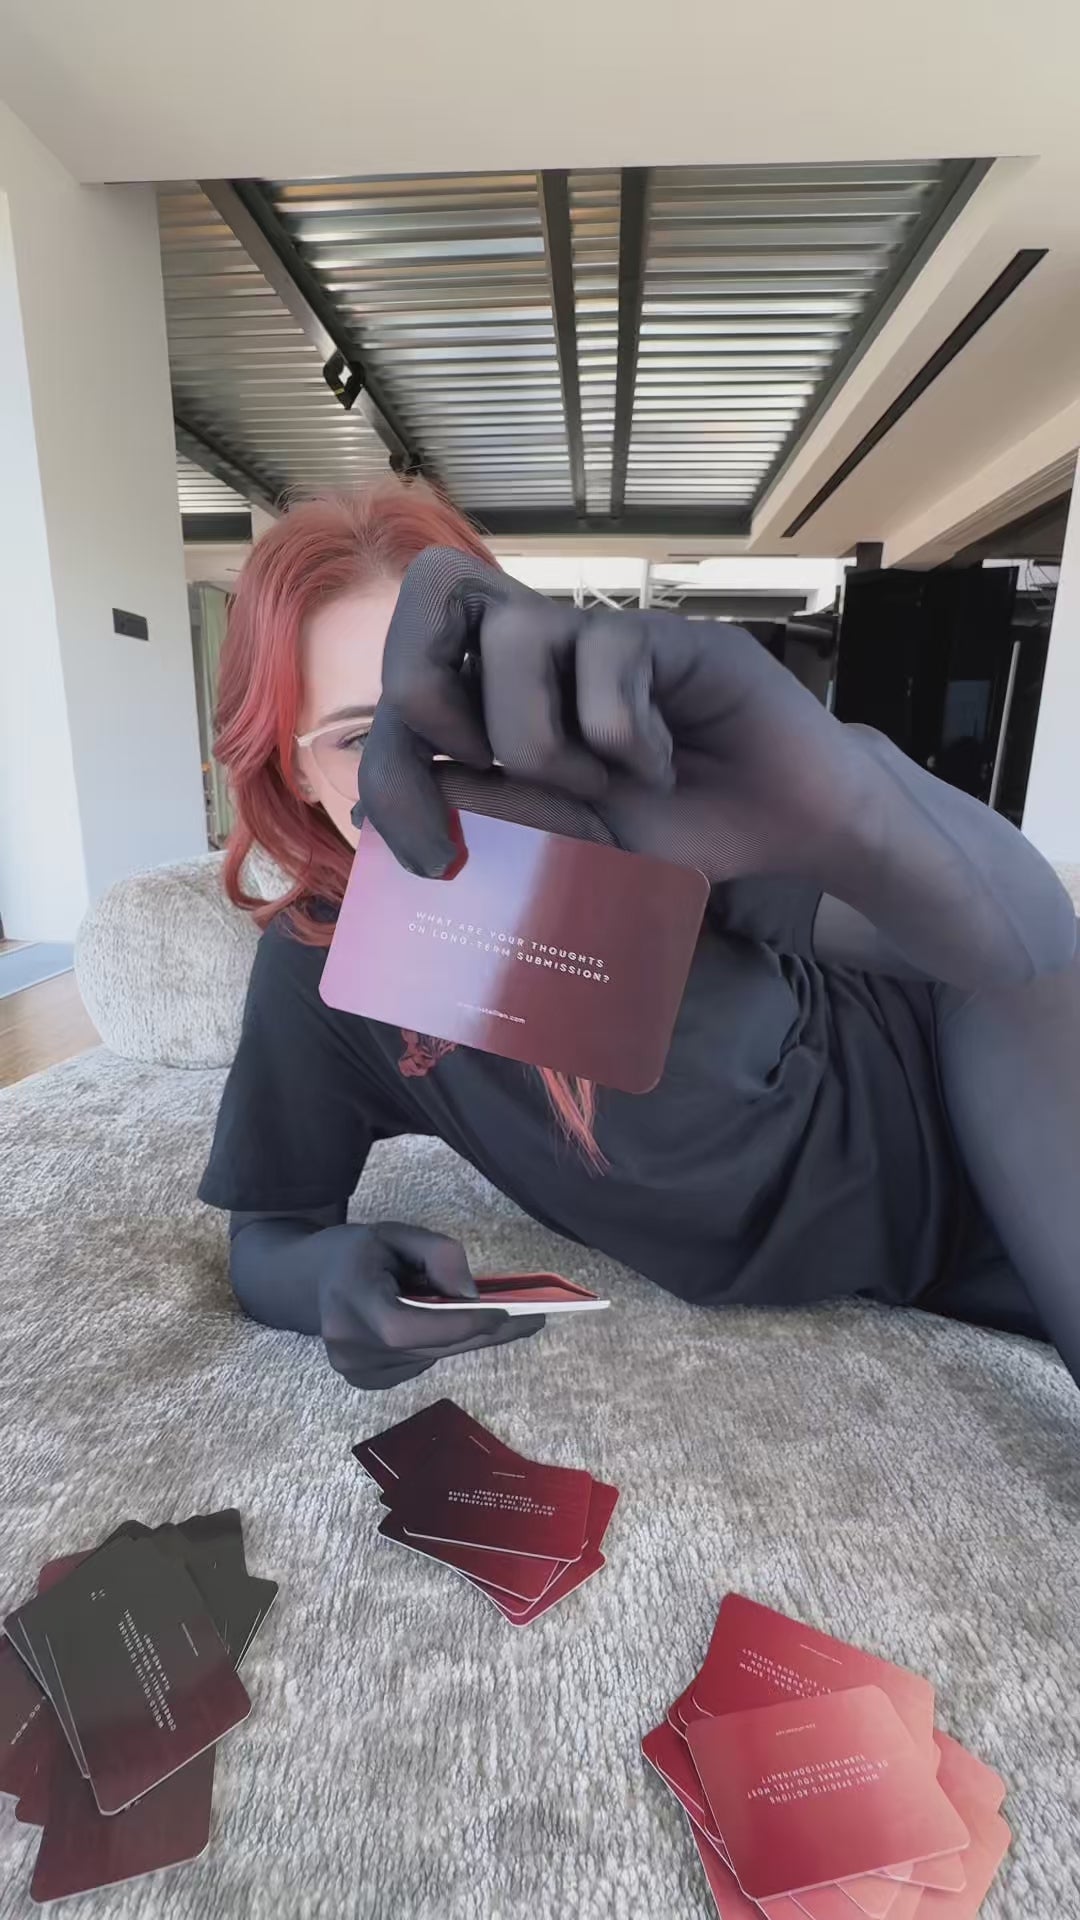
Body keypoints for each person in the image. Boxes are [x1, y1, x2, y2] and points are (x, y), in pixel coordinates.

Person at [199, 482, 1080, 1397]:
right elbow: (269, 1230)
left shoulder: (633, 809)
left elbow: (1019, 952)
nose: (427, 770)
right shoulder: (326, 961)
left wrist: (852, 791)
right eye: (358, 739)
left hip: (980, 1103)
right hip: (920, 1256)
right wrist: (328, 1282)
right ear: (294, 772)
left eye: (451, 708)